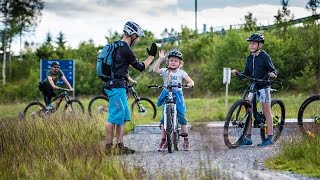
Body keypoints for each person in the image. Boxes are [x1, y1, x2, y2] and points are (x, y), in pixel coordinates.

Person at [104, 21, 157, 154]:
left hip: (117, 85)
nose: (137, 40)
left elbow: (118, 67)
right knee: (113, 116)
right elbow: (140, 67)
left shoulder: (115, 45)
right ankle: (108, 148)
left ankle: (120, 146)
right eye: (137, 37)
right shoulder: (125, 48)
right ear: (132, 35)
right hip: (116, 86)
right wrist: (151, 56)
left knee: (123, 115)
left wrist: (128, 78)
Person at [231, 33, 278, 147]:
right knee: (249, 110)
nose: (251, 45)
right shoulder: (249, 58)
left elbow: (273, 70)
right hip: (253, 85)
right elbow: (246, 73)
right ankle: (248, 137)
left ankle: (270, 137)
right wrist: (237, 74)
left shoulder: (264, 56)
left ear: (259, 45)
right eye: (250, 43)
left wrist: (273, 74)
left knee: (267, 111)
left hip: (263, 86)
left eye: (253, 43)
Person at [153, 49, 194, 151]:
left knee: (181, 116)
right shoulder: (165, 71)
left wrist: (190, 84)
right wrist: (160, 59)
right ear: (168, 62)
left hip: (178, 96)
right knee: (164, 118)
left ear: (180, 63)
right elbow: (155, 70)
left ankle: (186, 139)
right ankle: (163, 140)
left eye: (176, 61)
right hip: (167, 94)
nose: (173, 62)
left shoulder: (181, 72)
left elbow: (190, 80)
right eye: (171, 60)